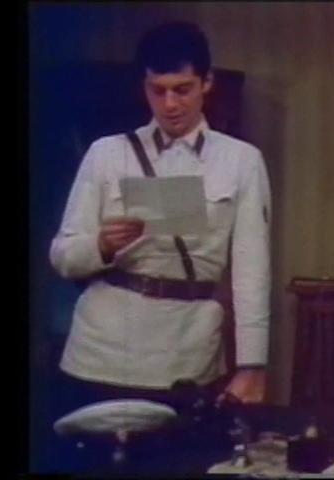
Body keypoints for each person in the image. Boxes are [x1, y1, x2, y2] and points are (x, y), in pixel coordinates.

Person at [49, 22, 271, 409]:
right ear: (144, 87)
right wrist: (101, 245)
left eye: (182, 89)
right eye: (158, 90)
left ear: (206, 82)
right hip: (100, 351)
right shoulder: (107, 154)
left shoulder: (241, 161)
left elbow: (252, 272)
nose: (170, 104)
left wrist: (252, 365)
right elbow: (62, 256)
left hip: (186, 355)